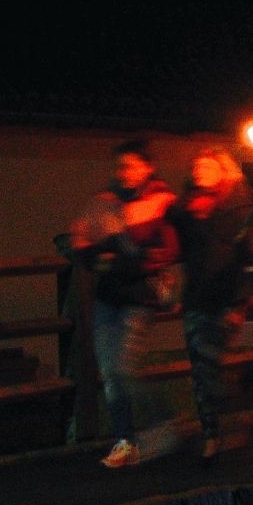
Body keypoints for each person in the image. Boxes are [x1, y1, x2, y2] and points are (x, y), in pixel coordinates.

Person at [70, 139, 180, 469]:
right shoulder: (103, 203)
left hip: (139, 297)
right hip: (108, 296)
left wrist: (117, 259)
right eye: (122, 166)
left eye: (133, 165)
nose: (125, 172)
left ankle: (163, 425)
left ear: (148, 167)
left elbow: (167, 250)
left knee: (126, 367)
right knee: (110, 370)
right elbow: (80, 243)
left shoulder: (162, 202)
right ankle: (125, 441)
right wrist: (104, 258)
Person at [168, 148, 253, 459]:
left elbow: (244, 255)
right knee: (200, 367)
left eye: (208, 166)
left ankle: (224, 424)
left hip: (226, 297)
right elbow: (176, 241)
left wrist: (238, 304)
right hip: (196, 297)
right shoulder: (186, 208)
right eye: (197, 165)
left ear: (223, 171)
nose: (200, 170)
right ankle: (212, 433)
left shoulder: (236, 207)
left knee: (209, 363)